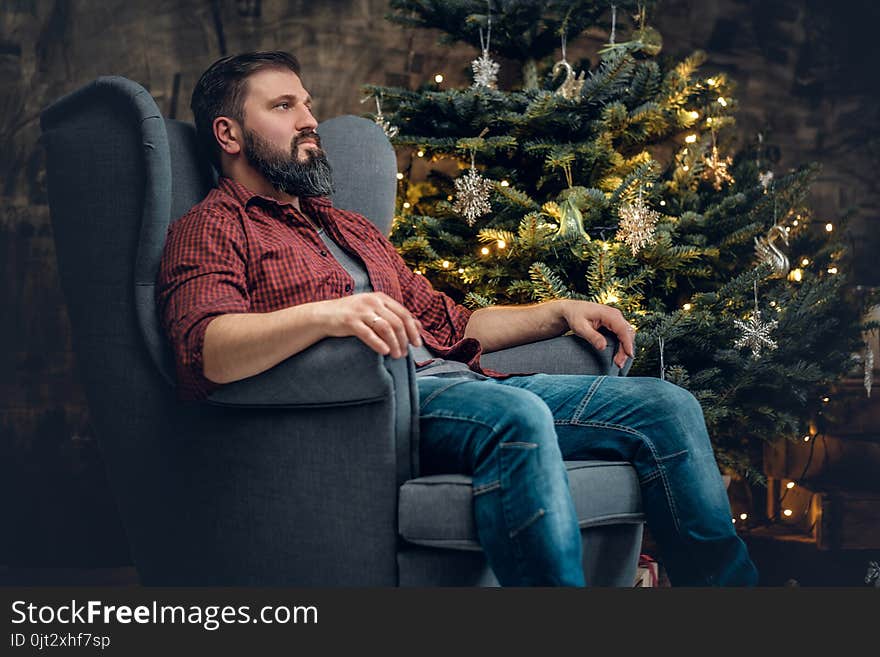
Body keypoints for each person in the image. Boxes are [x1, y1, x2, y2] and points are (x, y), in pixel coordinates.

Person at [157, 51, 759, 587]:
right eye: (284, 105)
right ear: (228, 134)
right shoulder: (213, 226)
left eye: (308, 104)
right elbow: (203, 349)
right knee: (516, 414)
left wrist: (558, 312)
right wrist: (327, 314)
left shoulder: (348, 227)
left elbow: (454, 324)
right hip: (384, 410)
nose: (309, 119)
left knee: (667, 406)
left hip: (465, 386)